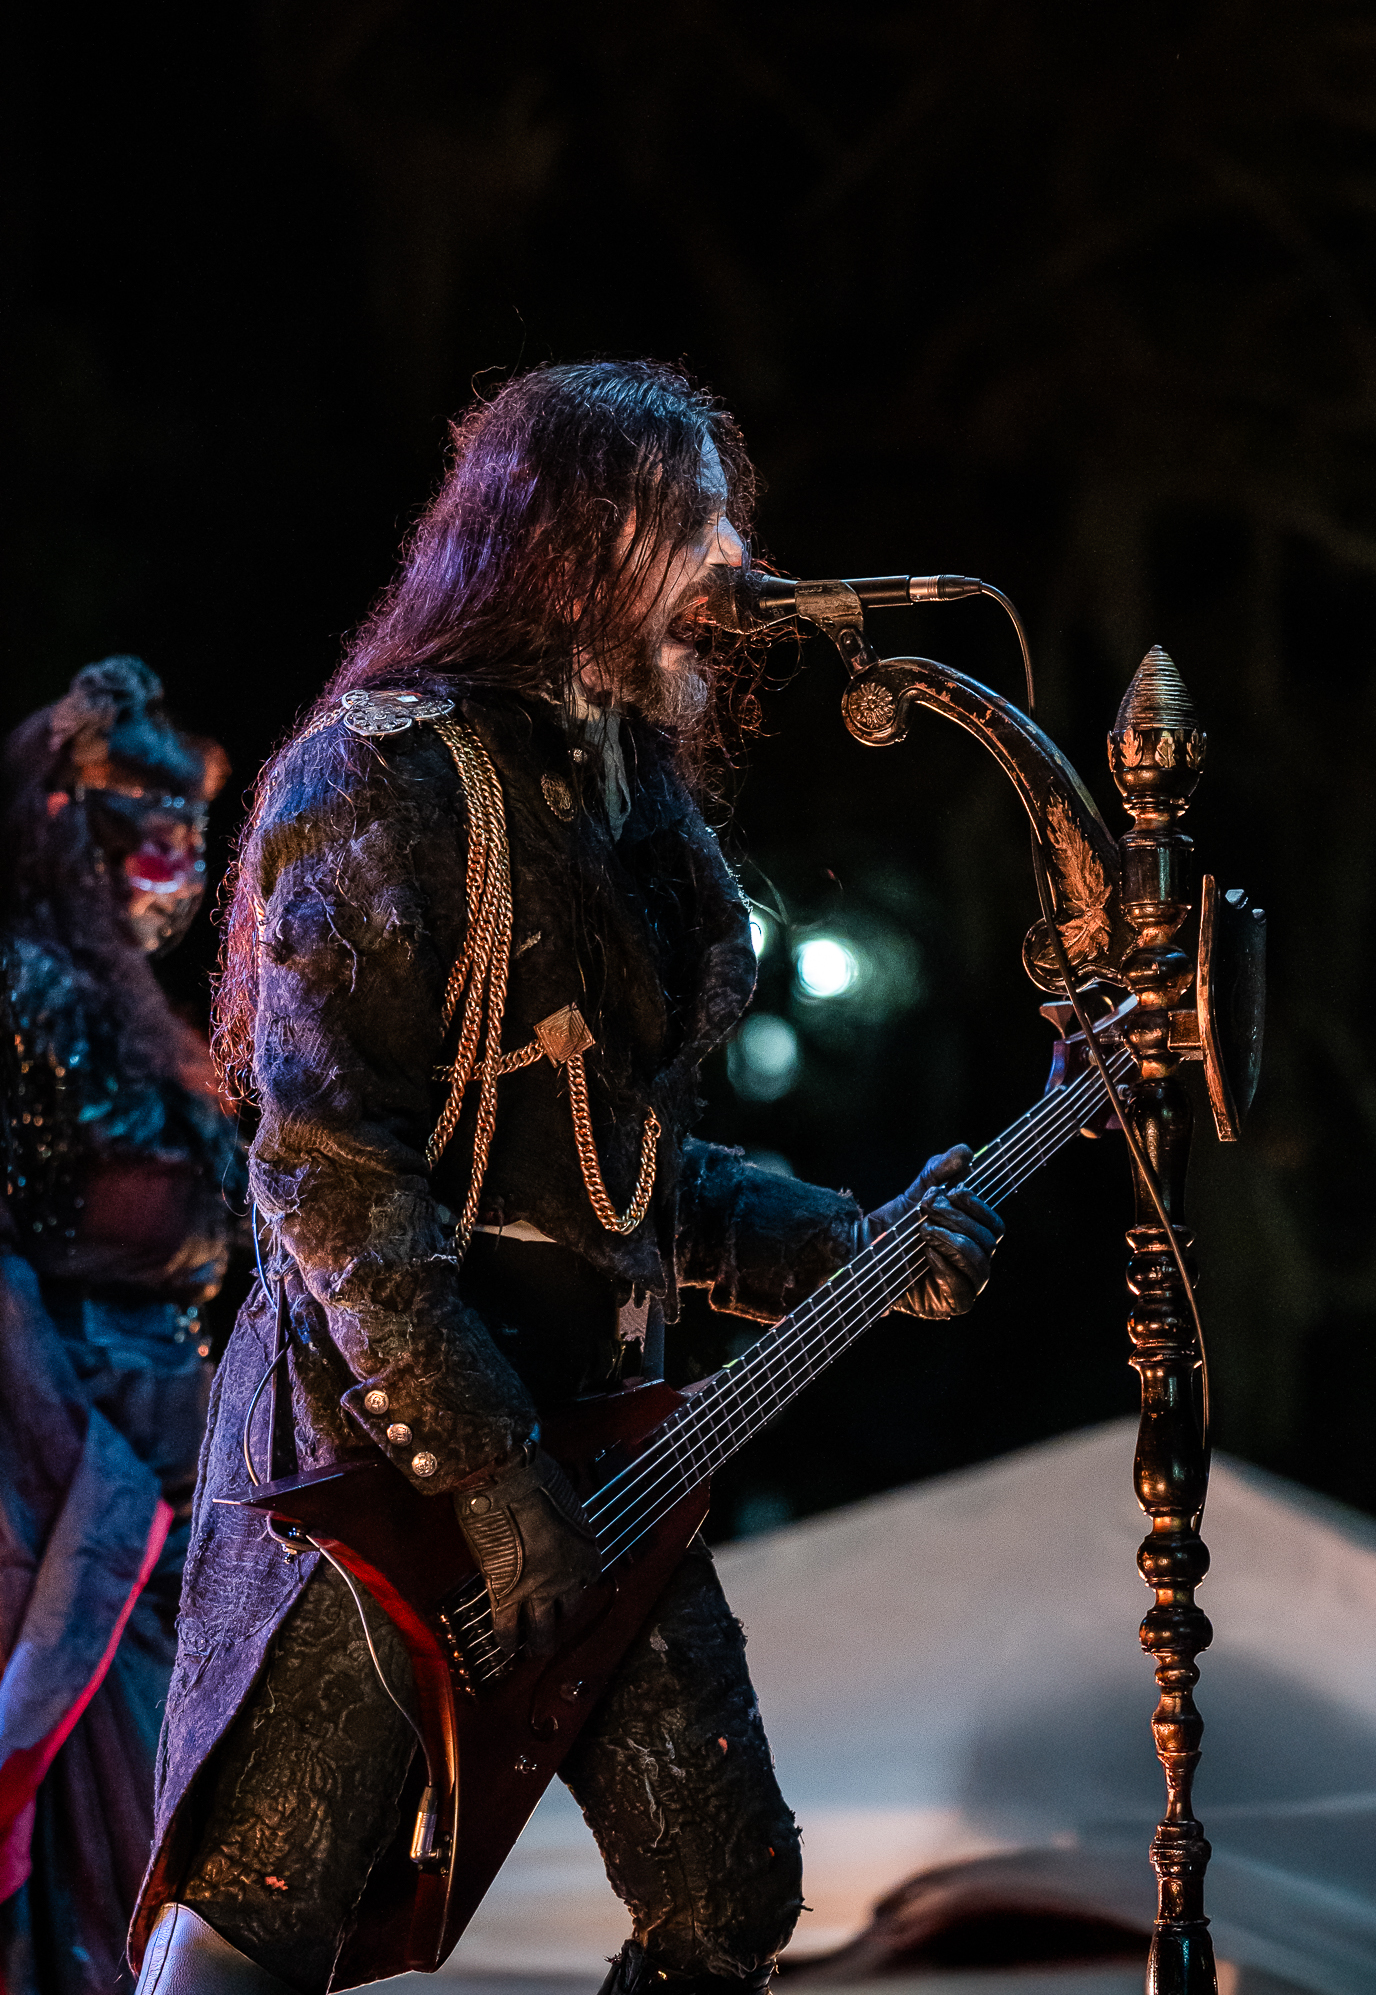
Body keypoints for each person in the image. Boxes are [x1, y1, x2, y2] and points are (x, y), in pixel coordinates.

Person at [130, 361, 1004, 1995]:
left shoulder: (627, 806)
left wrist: (856, 1248)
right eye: (688, 519)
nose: (731, 558)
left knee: (726, 1900)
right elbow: (329, 1167)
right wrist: (484, 1469)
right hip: (375, 1457)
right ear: (567, 540)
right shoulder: (379, 775)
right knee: (267, 1903)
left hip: (599, 1454)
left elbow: (623, 1185)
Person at [0, 658, 243, 1995]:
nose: (182, 861)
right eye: (155, 823)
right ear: (73, 821)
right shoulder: (30, 988)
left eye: (192, 826)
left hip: (172, 1438)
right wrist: (72, 1456)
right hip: (72, 1449)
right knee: (103, 1816)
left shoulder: (129, 1008)